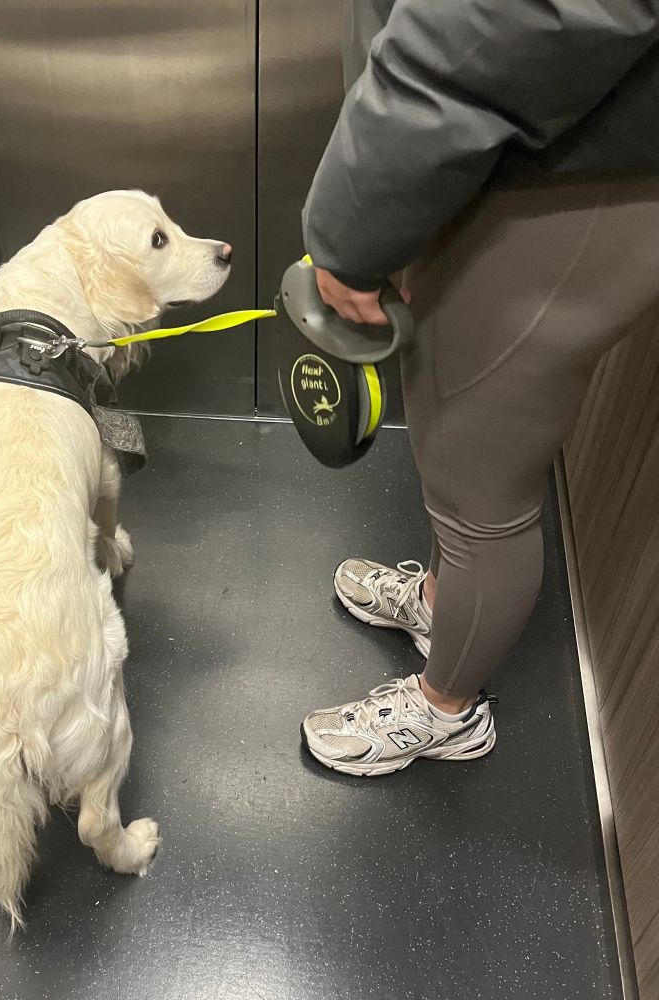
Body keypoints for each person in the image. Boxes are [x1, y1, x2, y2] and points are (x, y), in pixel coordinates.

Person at [299, 0, 659, 776]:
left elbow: (526, 14)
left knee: (480, 476)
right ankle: (441, 604)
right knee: (451, 441)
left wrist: (350, 226)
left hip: (578, 159)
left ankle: (448, 710)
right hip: (521, 134)